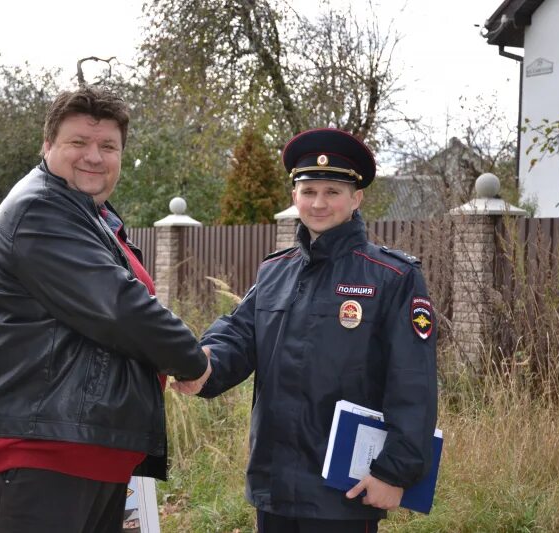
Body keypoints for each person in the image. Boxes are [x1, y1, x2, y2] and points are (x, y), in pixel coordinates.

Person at [0, 85, 210, 533]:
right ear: (48, 145)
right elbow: (118, 307)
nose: (94, 155)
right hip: (38, 448)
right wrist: (191, 360)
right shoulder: (40, 209)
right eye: (78, 142)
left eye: (108, 145)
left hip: (79, 446)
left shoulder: (91, 215)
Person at [173, 128, 438, 532]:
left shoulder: (392, 277)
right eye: (309, 190)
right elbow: (239, 336)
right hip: (274, 482)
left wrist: (394, 472)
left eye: (332, 191)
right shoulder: (275, 271)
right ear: (294, 195)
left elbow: (413, 382)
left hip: (344, 492)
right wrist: (202, 365)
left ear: (356, 198)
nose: (319, 202)